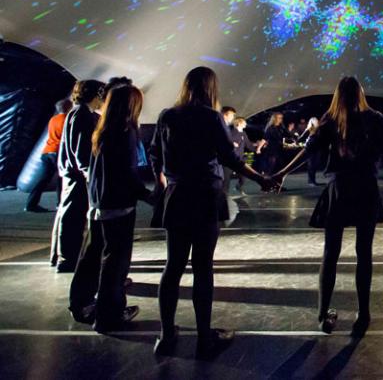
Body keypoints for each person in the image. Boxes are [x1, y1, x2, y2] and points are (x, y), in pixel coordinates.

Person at [274, 77, 383, 336]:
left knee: (331, 254)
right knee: (365, 253)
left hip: (339, 189)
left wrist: (282, 172)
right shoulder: (375, 119)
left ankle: (323, 314)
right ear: (360, 93)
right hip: (365, 188)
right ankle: (363, 315)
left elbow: (309, 151)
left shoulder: (331, 120)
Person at [149, 67, 275, 359]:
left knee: (173, 266)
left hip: (178, 196)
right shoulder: (210, 117)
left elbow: (155, 152)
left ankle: (167, 336)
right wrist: (261, 179)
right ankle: (204, 339)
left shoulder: (168, 115)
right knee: (202, 267)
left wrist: (164, 181)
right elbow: (229, 157)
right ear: (210, 88)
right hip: (205, 195)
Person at [70, 84, 154, 331]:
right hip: (118, 206)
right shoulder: (125, 132)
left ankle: (81, 304)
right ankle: (109, 314)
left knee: (92, 257)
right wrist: (146, 195)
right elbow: (127, 173)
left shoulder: (102, 129)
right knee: (115, 262)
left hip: (98, 203)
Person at [50, 79, 105, 273]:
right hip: (77, 175)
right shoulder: (82, 115)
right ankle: (68, 259)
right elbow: (81, 151)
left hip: (73, 173)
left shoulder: (78, 113)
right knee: (73, 215)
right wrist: (89, 173)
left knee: (68, 213)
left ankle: (62, 256)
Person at [26, 98, 73, 213]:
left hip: (47, 151)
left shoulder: (53, 119)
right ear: (69, 107)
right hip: (58, 152)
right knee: (62, 178)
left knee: (43, 180)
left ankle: (31, 204)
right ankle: (61, 203)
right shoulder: (68, 120)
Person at [229, 117, 265, 194]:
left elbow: (248, 144)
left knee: (244, 174)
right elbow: (227, 140)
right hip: (232, 157)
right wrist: (232, 143)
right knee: (227, 175)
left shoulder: (243, 133)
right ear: (239, 123)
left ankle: (239, 186)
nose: (246, 124)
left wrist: (256, 150)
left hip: (240, 158)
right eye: (244, 122)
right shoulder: (232, 132)